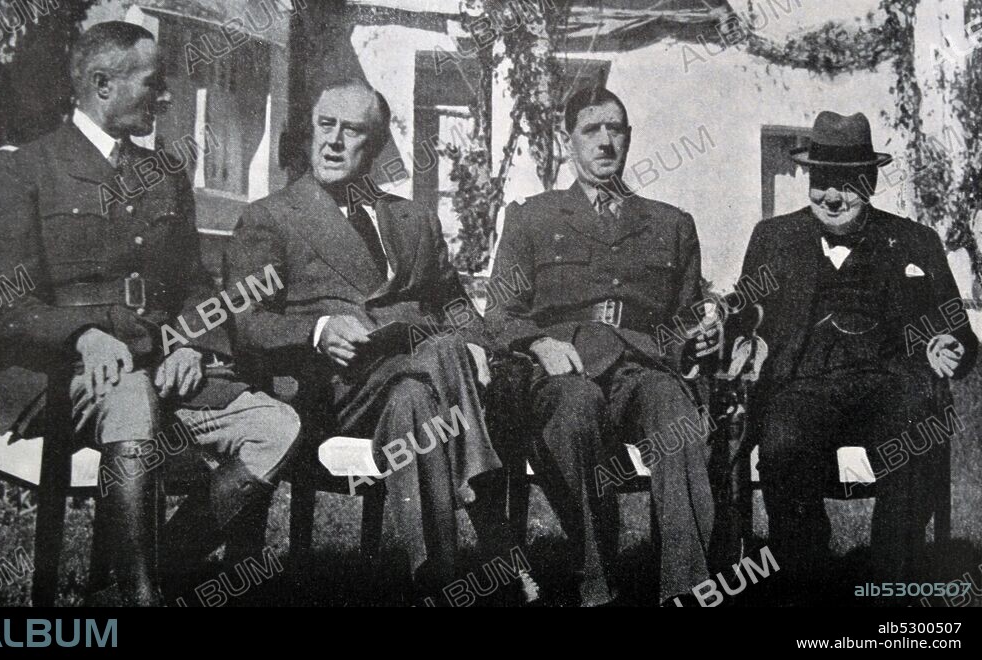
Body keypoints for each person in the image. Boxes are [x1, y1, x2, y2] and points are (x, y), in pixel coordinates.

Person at [0, 21, 301, 606]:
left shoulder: (165, 176)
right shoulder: (22, 169)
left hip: (155, 366)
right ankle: (141, 598)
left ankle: (157, 570)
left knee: (277, 425)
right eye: (153, 84)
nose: (166, 96)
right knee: (131, 397)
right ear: (103, 84)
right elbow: (2, 301)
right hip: (61, 377)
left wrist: (192, 345)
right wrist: (84, 336)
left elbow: (196, 285)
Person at [225, 79, 534, 603]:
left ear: (379, 146)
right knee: (441, 353)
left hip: (414, 385)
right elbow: (246, 322)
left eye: (353, 132)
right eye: (326, 126)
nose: (333, 142)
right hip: (333, 389)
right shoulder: (270, 217)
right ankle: (495, 534)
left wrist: (476, 342)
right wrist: (317, 332)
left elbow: (456, 306)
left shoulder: (413, 219)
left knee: (420, 391)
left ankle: (435, 580)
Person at [731, 110, 978, 604]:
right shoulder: (774, 239)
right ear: (808, 178)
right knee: (782, 448)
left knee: (919, 434)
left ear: (870, 181)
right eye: (823, 181)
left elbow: (961, 334)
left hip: (892, 382)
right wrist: (741, 340)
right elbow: (742, 317)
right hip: (802, 383)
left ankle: (889, 579)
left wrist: (948, 345)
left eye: (849, 183)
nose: (834, 197)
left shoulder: (914, 241)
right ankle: (809, 581)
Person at [488, 86, 721, 606]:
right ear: (566, 139)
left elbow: (684, 320)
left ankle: (686, 589)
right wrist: (538, 342)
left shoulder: (670, 223)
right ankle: (597, 585)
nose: (605, 142)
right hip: (564, 368)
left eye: (615, 129)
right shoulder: (532, 217)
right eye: (591, 130)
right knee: (574, 412)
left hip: (642, 368)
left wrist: (701, 333)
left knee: (676, 417)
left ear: (630, 139)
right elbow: (499, 314)